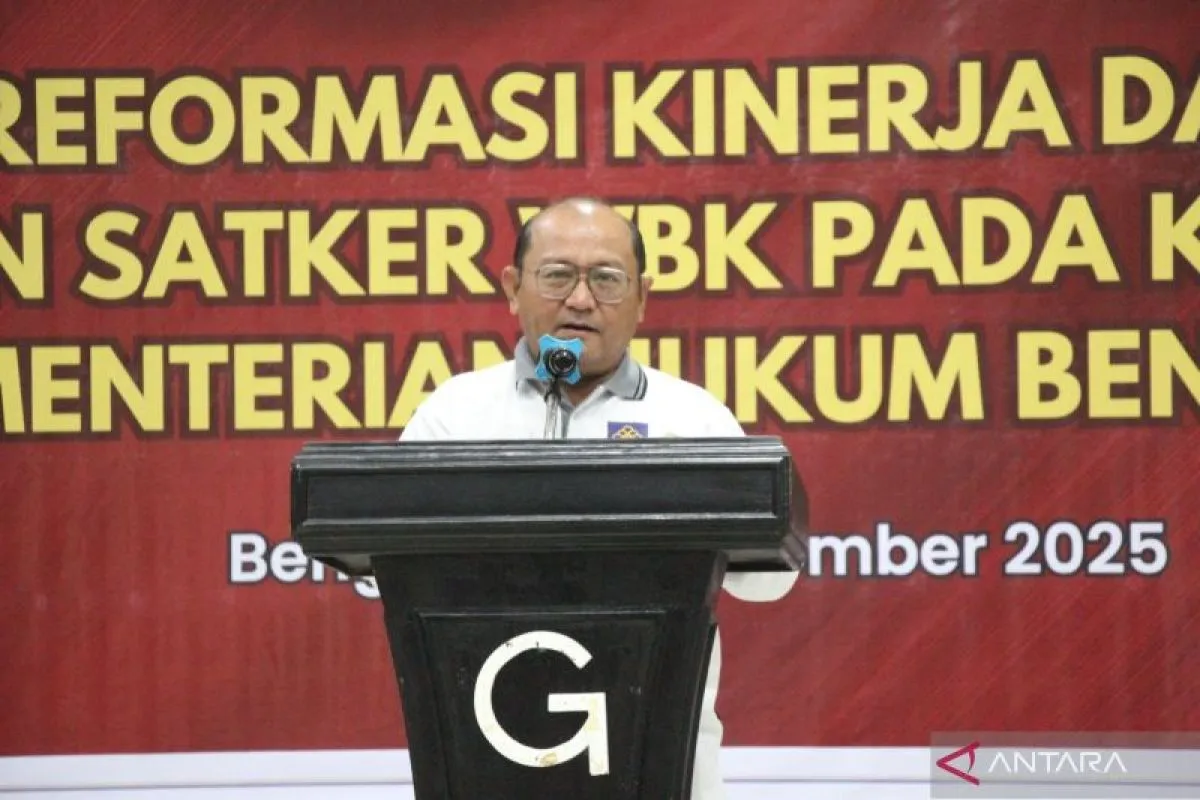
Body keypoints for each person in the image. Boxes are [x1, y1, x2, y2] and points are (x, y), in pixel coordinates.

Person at [400, 196, 797, 799]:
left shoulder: (692, 420)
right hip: (488, 750)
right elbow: (391, 575)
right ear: (512, 289)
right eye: (557, 275)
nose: (581, 300)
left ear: (642, 298)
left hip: (658, 760)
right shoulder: (455, 416)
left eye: (607, 279)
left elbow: (769, 583)